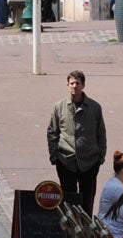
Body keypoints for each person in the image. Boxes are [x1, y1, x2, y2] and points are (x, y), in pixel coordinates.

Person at [46, 70, 107, 213]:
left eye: (78, 83)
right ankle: (70, 231)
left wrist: (100, 157)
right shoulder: (59, 107)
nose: (75, 86)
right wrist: (54, 156)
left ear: (83, 85)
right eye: (72, 83)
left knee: (87, 199)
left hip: (90, 161)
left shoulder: (94, 107)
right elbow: (52, 132)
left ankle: (85, 231)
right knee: (68, 199)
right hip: (66, 160)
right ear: (67, 85)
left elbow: (101, 133)